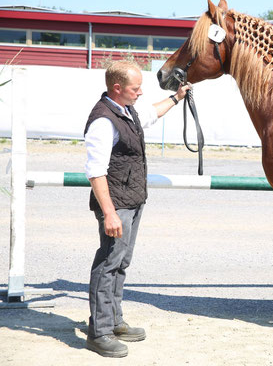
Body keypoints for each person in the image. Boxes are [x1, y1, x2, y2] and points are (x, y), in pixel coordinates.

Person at [83, 60, 189, 358]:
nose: (141, 92)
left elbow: (151, 114)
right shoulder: (103, 121)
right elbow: (95, 171)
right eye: (136, 87)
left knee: (121, 263)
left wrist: (176, 97)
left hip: (132, 199)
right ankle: (99, 332)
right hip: (117, 204)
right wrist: (110, 213)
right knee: (108, 265)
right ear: (118, 88)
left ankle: (114, 321)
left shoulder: (125, 110)